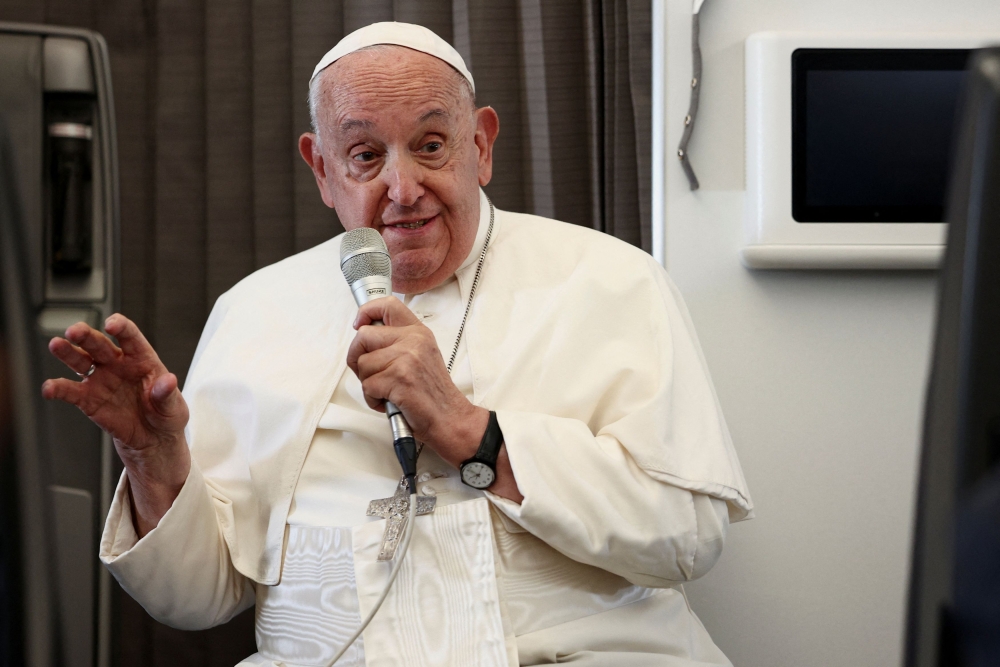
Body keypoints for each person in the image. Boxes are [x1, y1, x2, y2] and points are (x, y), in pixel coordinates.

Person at [42, 22, 753, 667]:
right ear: (321, 168)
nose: (403, 188)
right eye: (364, 155)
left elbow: (688, 535)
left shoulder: (613, 280)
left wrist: (473, 433)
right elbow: (197, 597)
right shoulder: (254, 310)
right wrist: (154, 461)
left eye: (432, 146)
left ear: (480, 145)